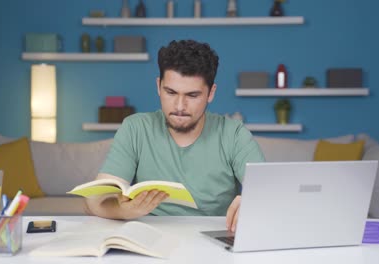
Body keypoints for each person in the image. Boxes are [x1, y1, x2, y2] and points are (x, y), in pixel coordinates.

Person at [86, 39, 265, 232]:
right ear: (158, 86)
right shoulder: (135, 128)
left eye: (192, 95)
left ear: (210, 93)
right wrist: (123, 210)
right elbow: (94, 201)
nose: (180, 106)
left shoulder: (234, 134)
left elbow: (269, 191)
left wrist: (255, 202)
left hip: (215, 239)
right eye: (170, 92)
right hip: (150, 237)